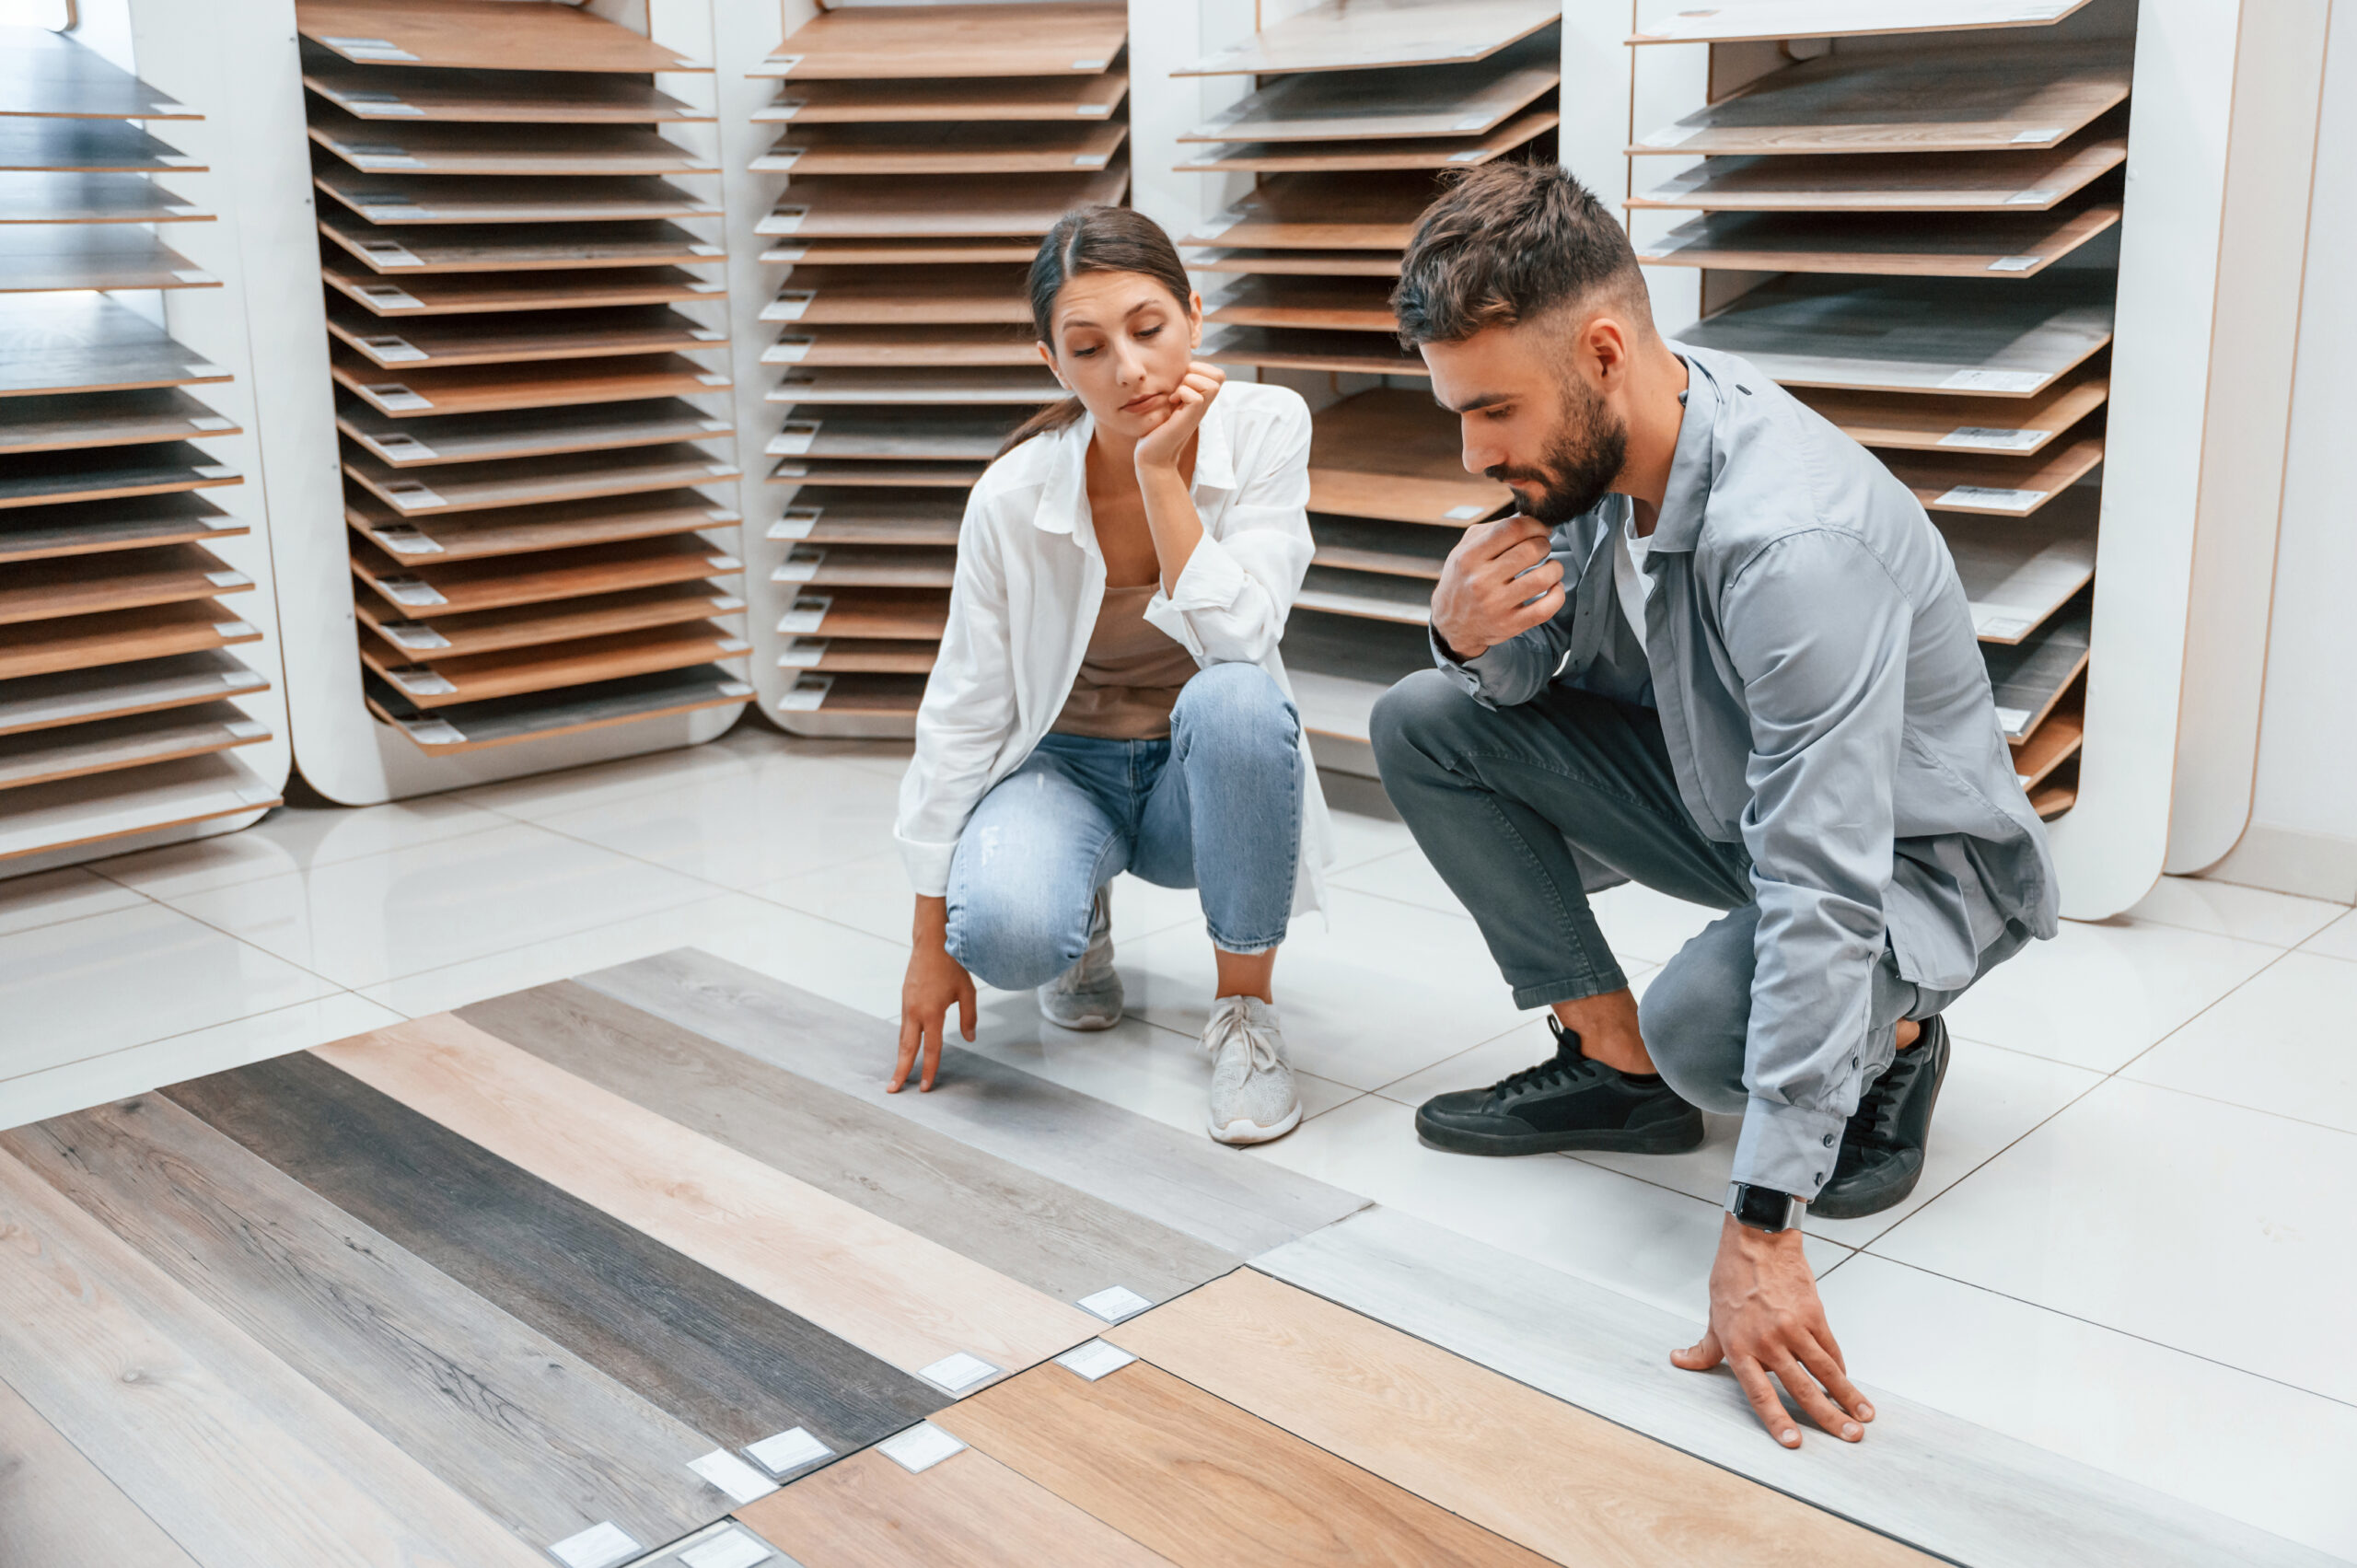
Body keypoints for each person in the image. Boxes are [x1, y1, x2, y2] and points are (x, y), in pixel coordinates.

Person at [1369, 164, 2059, 1447]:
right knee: (1424, 717)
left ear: (1605, 350)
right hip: (1724, 791)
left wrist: (1761, 1225)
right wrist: (1466, 635)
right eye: (1458, 411)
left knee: (1711, 1026)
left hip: (1898, 861)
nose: (1474, 453)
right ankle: (1612, 1069)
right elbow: (1529, 679)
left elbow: (1823, 878)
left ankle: (1897, 1043)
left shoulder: (1793, 545)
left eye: (1492, 409)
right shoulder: (1598, 451)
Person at [890, 204, 1332, 1145]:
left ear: (1195, 316)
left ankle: (1244, 1015)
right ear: (1053, 362)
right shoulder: (1012, 493)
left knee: (1238, 697)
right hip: (1064, 766)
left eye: (1148, 329)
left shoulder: (1265, 425)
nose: (1127, 370)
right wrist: (928, 941)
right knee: (1003, 935)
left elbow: (1241, 637)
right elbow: (963, 705)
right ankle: (1077, 915)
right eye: (1088, 348)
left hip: (1197, 778)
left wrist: (1160, 477)